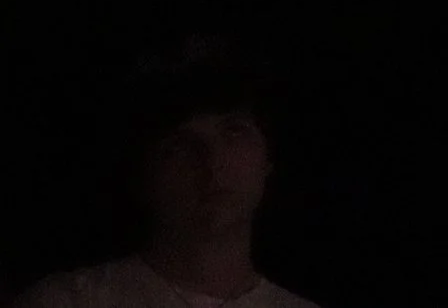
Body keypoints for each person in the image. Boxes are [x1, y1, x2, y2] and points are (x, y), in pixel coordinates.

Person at [12, 42, 320, 308]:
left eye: (233, 132)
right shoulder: (71, 301)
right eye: (179, 146)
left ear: (267, 158)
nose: (211, 161)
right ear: (143, 175)